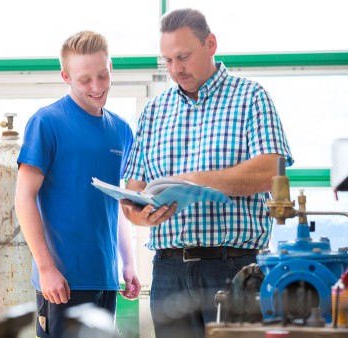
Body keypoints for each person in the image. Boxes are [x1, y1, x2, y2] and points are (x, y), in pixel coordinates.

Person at [121, 8, 293, 338]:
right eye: (167, 61)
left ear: (210, 44)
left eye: (182, 57)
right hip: (169, 272)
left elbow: (271, 171)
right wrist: (141, 216)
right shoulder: (155, 111)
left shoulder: (251, 98)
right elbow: (132, 194)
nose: (175, 69)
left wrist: (197, 180)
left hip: (235, 269)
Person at [15, 30, 141, 338]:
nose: (97, 87)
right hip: (62, 283)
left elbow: (118, 202)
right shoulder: (47, 123)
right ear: (66, 77)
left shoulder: (121, 130)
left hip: (106, 279)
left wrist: (128, 263)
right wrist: (46, 269)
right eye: (85, 80)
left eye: (103, 75)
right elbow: (23, 198)